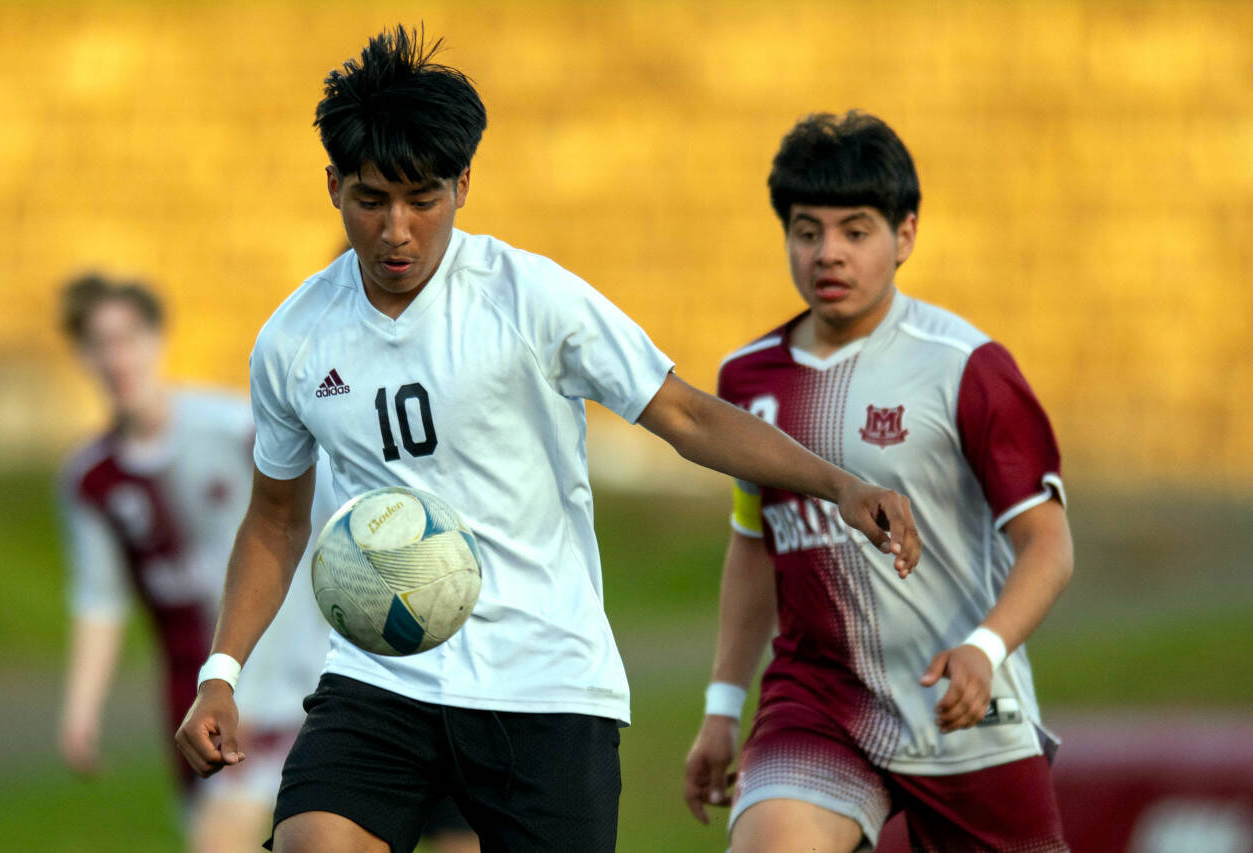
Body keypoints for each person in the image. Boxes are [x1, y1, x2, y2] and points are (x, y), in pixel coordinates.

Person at [174, 27, 920, 853]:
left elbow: (687, 415)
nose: (396, 230)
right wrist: (221, 673)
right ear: (332, 186)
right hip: (378, 683)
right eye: (370, 198)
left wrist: (841, 484)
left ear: (463, 184)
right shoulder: (295, 339)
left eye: (423, 198)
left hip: (545, 688)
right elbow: (275, 520)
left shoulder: (532, 301)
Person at [681, 111, 1075, 852]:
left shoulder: (967, 366)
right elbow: (753, 546)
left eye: (855, 230)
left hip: (956, 695)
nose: (828, 253)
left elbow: (1049, 545)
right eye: (806, 230)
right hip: (818, 700)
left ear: (906, 235)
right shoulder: (748, 379)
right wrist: (721, 706)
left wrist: (984, 651)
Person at [56, 273, 333, 853]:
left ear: (157, 339)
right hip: (195, 701)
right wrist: (81, 710)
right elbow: (100, 600)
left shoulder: (234, 429)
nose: (116, 357)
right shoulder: (90, 479)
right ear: (81, 353)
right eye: (99, 343)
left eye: (128, 337)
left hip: (293, 693)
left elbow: (315, 521)